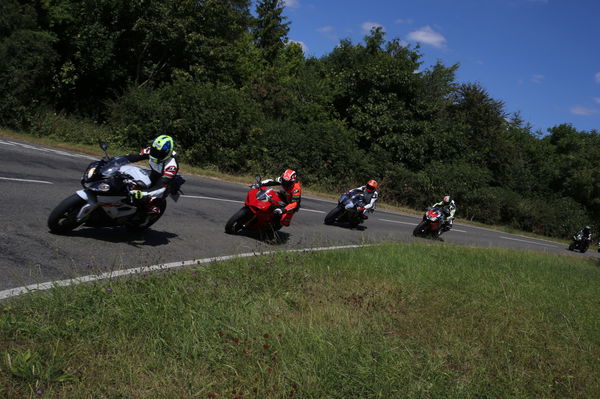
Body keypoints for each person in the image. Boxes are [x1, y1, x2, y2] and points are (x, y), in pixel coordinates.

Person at [125, 135, 180, 214]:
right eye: (154, 151)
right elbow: (135, 157)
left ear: (167, 153)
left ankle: (153, 208)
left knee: (155, 196)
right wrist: (117, 160)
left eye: (159, 154)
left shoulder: (172, 165)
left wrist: (144, 193)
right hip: (154, 172)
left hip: (163, 178)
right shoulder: (152, 150)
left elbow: (161, 185)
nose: (155, 155)